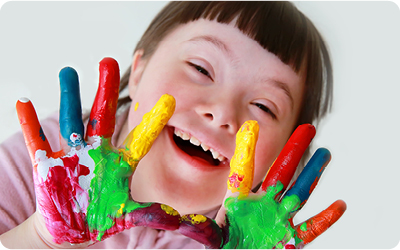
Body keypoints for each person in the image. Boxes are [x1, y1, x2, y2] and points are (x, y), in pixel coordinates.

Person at [0, 1, 341, 248]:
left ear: (284, 157)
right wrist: (41, 239)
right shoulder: (51, 166)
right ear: (140, 69)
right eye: (201, 69)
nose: (222, 113)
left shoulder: (248, 239)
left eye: (264, 107)